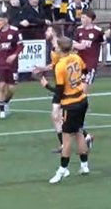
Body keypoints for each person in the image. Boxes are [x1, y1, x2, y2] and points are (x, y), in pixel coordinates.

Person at [39, 37, 91, 184]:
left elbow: (60, 90)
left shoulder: (60, 66)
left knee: (67, 139)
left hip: (71, 104)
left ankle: (62, 170)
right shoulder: (76, 57)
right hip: (82, 99)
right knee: (79, 132)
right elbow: (85, 71)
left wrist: (48, 89)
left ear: (60, 49)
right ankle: (84, 165)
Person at [0, 11, 23, 118]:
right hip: (0, 63)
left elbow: (20, 46)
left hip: (12, 64)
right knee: (1, 85)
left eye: (0, 20)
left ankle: (6, 102)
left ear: (6, 20)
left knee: (11, 88)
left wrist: (14, 55)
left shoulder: (15, 31)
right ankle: (2, 111)